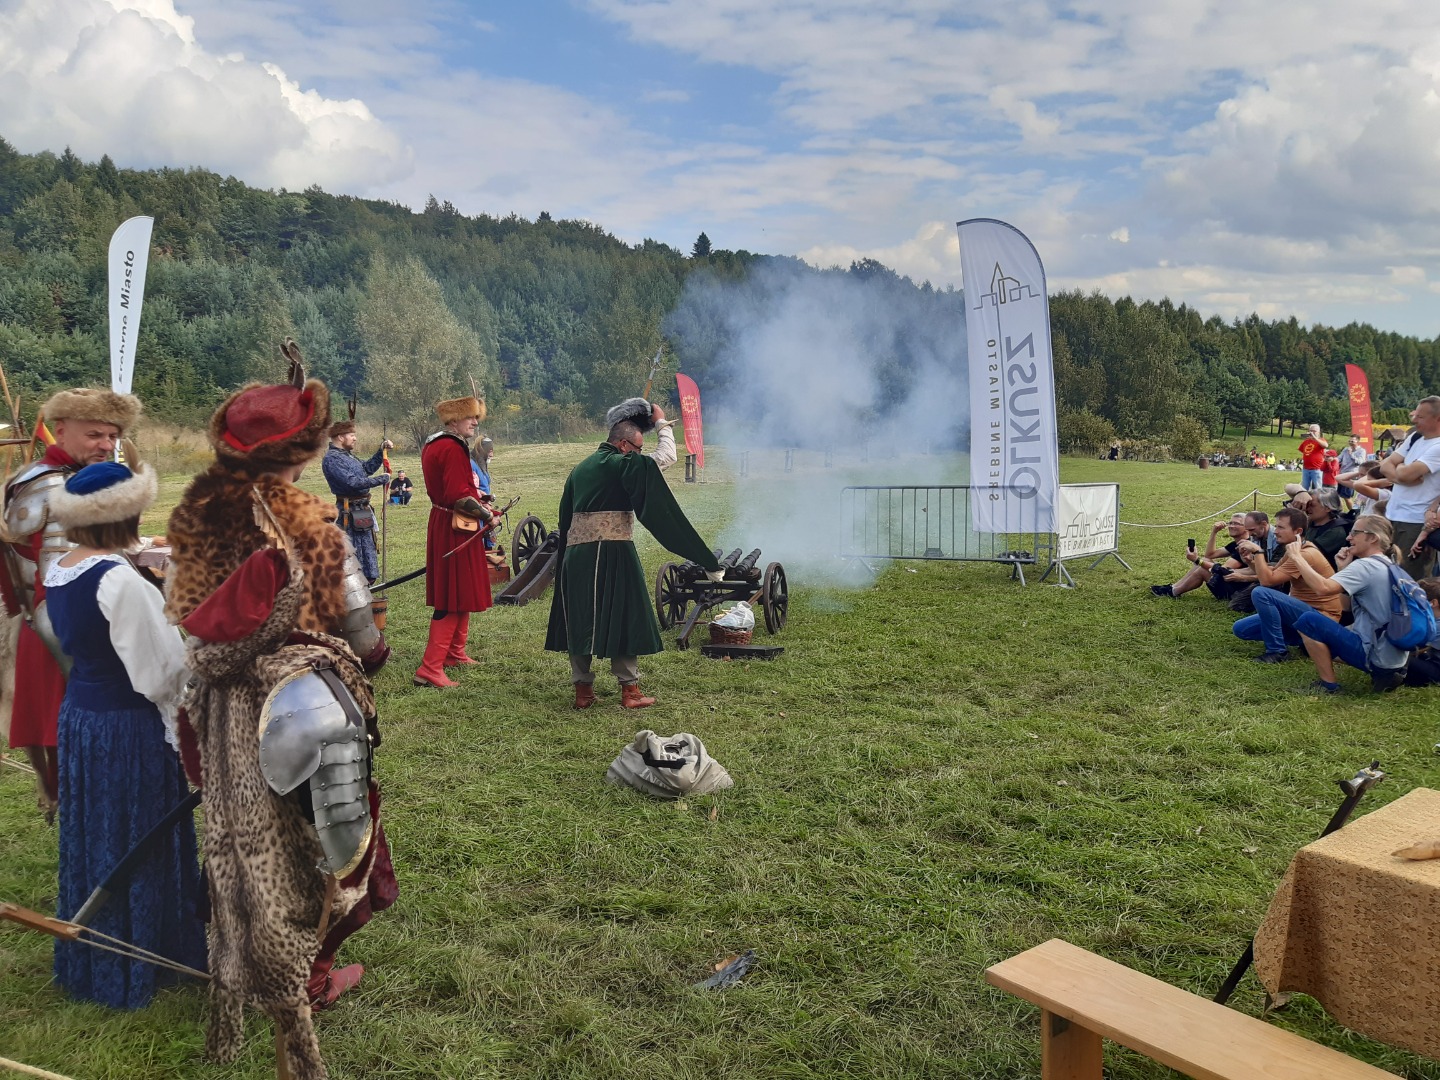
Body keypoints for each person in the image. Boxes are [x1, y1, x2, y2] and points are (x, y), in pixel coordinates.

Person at [165, 342, 395, 1077]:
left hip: (225, 714)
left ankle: (252, 977)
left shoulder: (196, 514)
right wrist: (355, 639)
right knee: (327, 853)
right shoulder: (310, 523)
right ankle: (304, 979)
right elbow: (367, 641)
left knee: (240, 854)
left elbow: (194, 634)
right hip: (299, 712)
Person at [45, 459, 205, 1008]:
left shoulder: (62, 566)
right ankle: (139, 958)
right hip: (126, 726)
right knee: (140, 834)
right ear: (125, 512)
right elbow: (161, 674)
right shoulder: (118, 580)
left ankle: (96, 951)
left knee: (97, 831)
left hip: (83, 717)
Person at [1, 387, 141, 820]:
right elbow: (57, 575)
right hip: (60, 628)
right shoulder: (50, 485)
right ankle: (76, 802)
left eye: (112, 436)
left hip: (79, 621)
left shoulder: (80, 477)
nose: (105, 445)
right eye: (94, 434)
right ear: (61, 431)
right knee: (68, 729)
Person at [545, 397, 723, 709]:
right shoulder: (623, 463)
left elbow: (565, 516)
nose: (641, 454)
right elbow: (666, 457)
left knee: (580, 617)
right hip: (613, 552)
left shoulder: (579, 469)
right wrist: (662, 423)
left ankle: (583, 693)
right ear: (626, 446)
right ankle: (630, 692)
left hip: (575, 556)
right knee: (625, 614)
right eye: (639, 449)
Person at [1272, 515, 1413, 694]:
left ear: (1373, 538)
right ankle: (1386, 675)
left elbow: (1322, 589)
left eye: (1355, 532)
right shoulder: (1390, 565)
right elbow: (1345, 606)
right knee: (1319, 628)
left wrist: (1297, 557)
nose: (1348, 537)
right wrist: (1342, 569)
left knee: (1308, 620)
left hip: (1376, 656)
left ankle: (1329, 685)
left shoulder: (1365, 566)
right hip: (1395, 659)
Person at [416, 394, 493, 687]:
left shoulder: (437, 442)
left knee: (459, 590)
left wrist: (481, 501)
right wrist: (487, 515)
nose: (475, 422)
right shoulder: (451, 447)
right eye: (470, 417)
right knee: (451, 596)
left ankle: (454, 653)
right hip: (453, 526)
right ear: (453, 420)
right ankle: (430, 667)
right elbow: (458, 496)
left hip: (449, 522)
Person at [1231, 507, 1342, 663]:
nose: (1275, 531)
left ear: (1298, 531)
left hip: (1322, 617)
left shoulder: (1304, 554)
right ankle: (1304, 641)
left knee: (1261, 592)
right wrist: (1250, 561)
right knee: (1241, 629)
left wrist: (1258, 552)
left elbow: (1267, 582)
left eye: (1281, 527)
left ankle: (1278, 651)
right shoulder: (1294, 549)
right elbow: (1269, 573)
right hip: (1301, 613)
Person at [321, 420, 391, 584]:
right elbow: (352, 482)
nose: (355, 439)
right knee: (354, 553)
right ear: (340, 437)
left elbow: (365, 469)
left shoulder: (346, 455)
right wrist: (382, 479)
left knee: (367, 551)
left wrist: (381, 452)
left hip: (361, 510)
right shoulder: (332, 459)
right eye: (352, 435)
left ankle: (368, 584)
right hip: (348, 513)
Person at [1378, 397, 1440, 580]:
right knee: (1387, 574)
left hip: (1416, 522)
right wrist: (1403, 476)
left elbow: (1399, 470)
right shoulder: (1415, 437)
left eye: (1420, 417)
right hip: (1393, 515)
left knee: (1409, 579)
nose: (1414, 420)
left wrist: (1400, 472)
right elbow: (1385, 466)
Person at [1150, 514, 1249, 600]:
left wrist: (1197, 560)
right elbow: (1210, 555)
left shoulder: (1245, 546)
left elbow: (1223, 570)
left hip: (1237, 593)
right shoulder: (1235, 544)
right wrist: (1214, 532)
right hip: (1233, 585)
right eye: (1230, 523)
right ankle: (1173, 587)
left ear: (1247, 527)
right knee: (1205, 561)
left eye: (1236, 524)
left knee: (1202, 568)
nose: (1231, 526)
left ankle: (1174, 592)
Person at [1298, 424, 1328, 490]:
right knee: (1304, 488)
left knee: (1318, 488)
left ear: (1318, 432)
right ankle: (1306, 499)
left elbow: (1325, 445)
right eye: (1310, 431)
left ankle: (1318, 500)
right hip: (1306, 469)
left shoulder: (1321, 440)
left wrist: (1315, 438)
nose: (1312, 433)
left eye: (1314, 431)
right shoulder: (1306, 441)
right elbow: (1303, 451)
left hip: (1317, 469)